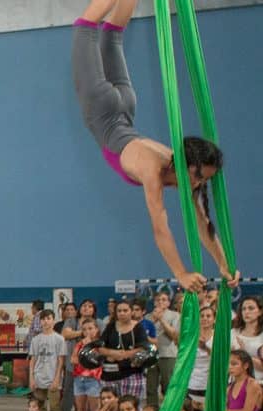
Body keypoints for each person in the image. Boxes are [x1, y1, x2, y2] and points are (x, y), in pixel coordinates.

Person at [71, 0, 239, 294]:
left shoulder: (175, 163)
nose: (199, 183)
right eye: (199, 176)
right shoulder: (153, 168)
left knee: (113, 35)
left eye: (204, 180)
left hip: (124, 107)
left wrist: (223, 265)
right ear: (186, 165)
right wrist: (180, 273)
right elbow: (160, 227)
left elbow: (202, 223)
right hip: (104, 107)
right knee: (86, 27)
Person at [29, 309, 67, 411]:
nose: (46, 321)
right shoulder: (36, 339)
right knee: (41, 409)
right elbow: (33, 360)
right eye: (43, 319)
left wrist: (57, 378)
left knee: (55, 407)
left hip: (53, 379)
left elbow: (61, 361)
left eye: (48, 318)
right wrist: (31, 378)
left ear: (53, 320)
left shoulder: (59, 339)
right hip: (39, 378)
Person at [98, 299, 148, 400]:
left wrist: (125, 354)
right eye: (119, 311)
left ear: (131, 311)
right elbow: (100, 347)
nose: (122, 313)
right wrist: (113, 353)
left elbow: (143, 348)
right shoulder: (110, 327)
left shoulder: (138, 328)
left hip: (132, 374)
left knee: (130, 407)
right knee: (111, 409)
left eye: (125, 310)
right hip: (110, 375)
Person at [70, 318, 104, 411]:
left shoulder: (100, 344)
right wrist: (84, 350)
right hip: (79, 379)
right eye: (84, 329)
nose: (88, 331)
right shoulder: (79, 344)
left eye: (90, 328)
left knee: (95, 410)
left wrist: (87, 356)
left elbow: (98, 360)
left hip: (93, 380)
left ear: (96, 330)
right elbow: (73, 360)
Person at [147, 291, 181, 404]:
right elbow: (144, 335)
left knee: (168, 386)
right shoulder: (147, 316)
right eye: (158, 300)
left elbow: (174, 335)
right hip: (151, 355)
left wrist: (161, 319)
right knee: (151, 388)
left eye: (164, 299)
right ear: (154, 302)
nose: (160, 302)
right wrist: (153, 321)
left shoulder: (175, 315)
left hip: (168, 354)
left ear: (168, 303)